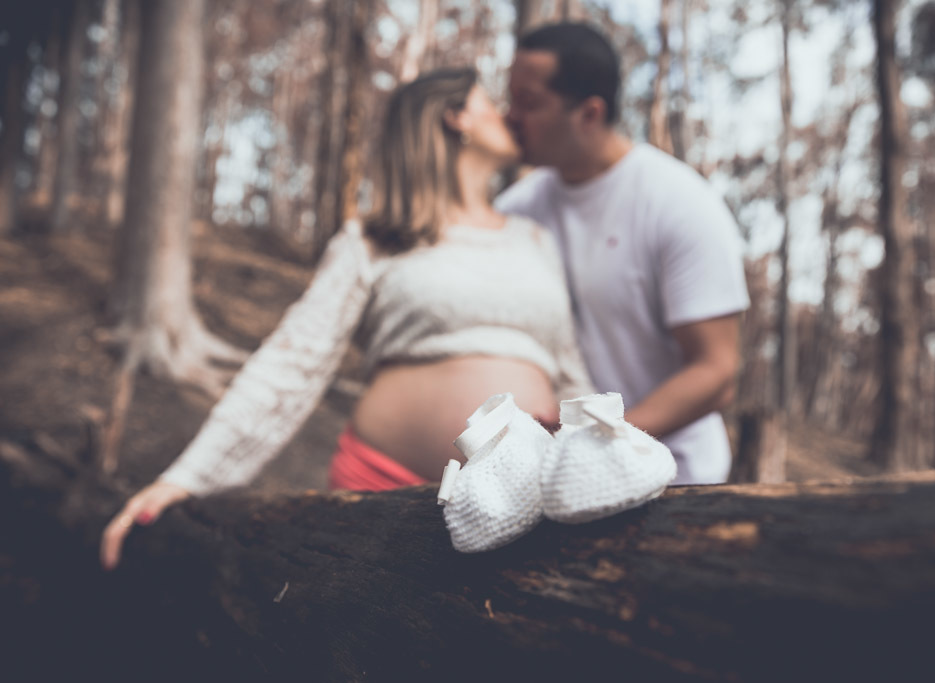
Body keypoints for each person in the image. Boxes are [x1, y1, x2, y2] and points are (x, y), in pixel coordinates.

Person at [100, 67, 593, 570]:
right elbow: (292, 364)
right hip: (383, 491)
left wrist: (599, 453)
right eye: (490, 102)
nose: (508, 116)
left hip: (530, 500)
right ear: (456, 116)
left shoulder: (535, 241)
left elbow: (569, 371)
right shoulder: (373, 240)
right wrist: (189, 478)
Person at [495, 22, 749, 486]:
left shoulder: (680, 203)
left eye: (528, 103)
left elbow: (717, 371)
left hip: (678, 480)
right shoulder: (514, 211)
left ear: (590, 113)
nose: (509, 117)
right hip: (561, 479)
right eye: (510, 99)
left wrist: (601, 441)